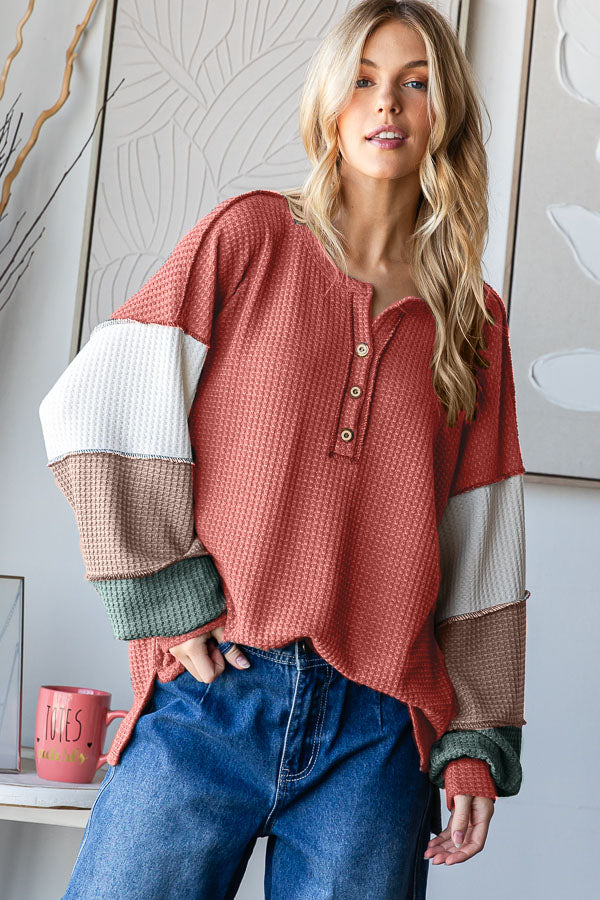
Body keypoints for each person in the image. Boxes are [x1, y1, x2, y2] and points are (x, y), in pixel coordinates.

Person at [38, 1, 529, 897]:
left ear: (446, 111)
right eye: (364, 80)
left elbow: (484, 538)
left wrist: (476, 738)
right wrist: (165, 593)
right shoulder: (249, 238)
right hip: (213, 693)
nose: (387, 104)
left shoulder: (474, 319)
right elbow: (95, 406)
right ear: (331, 103)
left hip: (377, 733)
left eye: (416, 83)